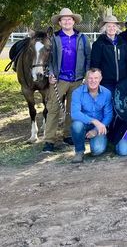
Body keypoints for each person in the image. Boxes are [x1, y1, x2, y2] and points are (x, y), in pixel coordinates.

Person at [45, 8, 91, 153]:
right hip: (59, 79)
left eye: (69, 19)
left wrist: (87, 76)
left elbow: (88, 58)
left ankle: (68, 135)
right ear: (59, 22)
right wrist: (50, 73)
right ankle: (49, 141)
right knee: (53, 109)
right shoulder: (54, 38)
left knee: (72, 109)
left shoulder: (82, 38)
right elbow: (48, 60)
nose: (66, 21)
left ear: (73, 21)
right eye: (63, 19)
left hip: (77, 79)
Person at [70, 68, 113, 163]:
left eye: (96, 78)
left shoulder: (107, 93)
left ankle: (97, 140)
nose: (93, 81)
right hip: (84, 123)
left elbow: (109, 115)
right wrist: (94, 121)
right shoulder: (77, 93)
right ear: (86, 79)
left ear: (100, 79)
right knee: (76, 125)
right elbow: (75, 113)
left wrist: (96, 130)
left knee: (98, 150)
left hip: (99, 126)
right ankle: (79, 151)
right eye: (90, 78)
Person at [90, 15, 127, 95]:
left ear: (117, 28)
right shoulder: (99, 44)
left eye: (114, 26)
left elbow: (126, 61)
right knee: (107, 105)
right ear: (105, 28)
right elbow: (95, 63)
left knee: (120, 104)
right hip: (106, 82)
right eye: (109, 26)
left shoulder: (123, 43)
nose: (112, 28)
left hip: (122, 81)